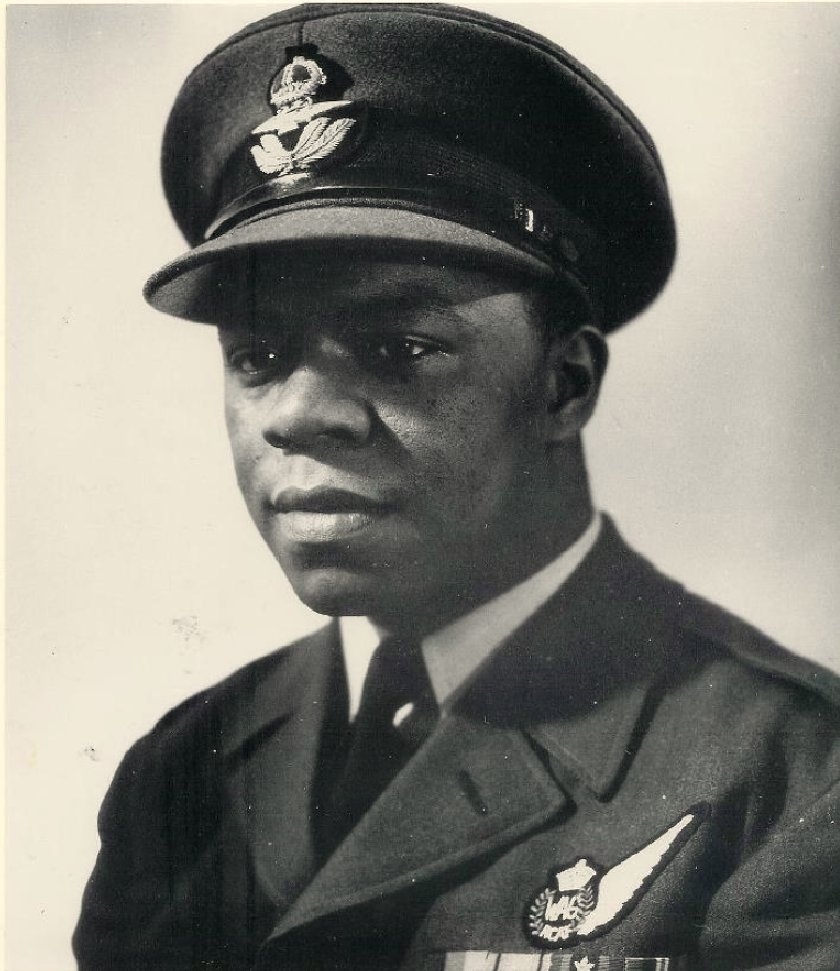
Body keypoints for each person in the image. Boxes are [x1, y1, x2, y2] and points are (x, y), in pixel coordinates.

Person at [73, 4, 840, 970]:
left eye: (399, 347)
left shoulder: (795, 779)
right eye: (260, 354)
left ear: (565, 385)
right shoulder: (178, 775)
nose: (300, 415)